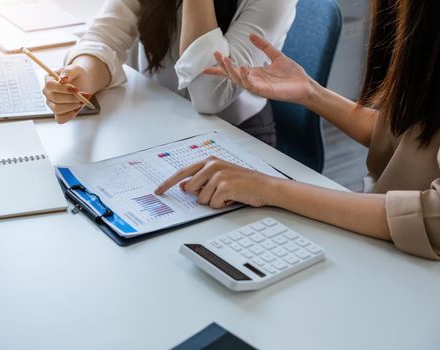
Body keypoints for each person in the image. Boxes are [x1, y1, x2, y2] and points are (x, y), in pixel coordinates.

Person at [155, 0, 440, 260]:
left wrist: (269, 187)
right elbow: (411, 139)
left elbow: (432, 215)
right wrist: (310, 92)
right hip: (388, 240)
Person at [42, 0, 298, 146]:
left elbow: (209, 97)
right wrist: (82, 75)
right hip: (157, 118)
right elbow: (106, 35)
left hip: (234, 133)